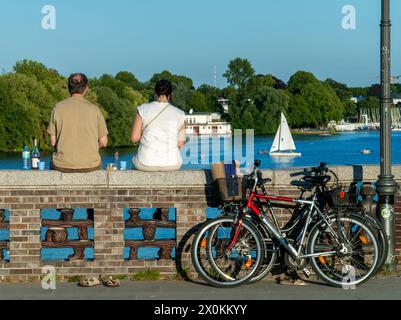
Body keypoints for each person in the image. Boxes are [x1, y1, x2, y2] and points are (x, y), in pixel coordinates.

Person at [47, 73, 109, 173]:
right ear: (86, 89)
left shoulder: (57, 108)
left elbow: (53, 142)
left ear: (69, 88)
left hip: (62, 165)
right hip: (90, 164)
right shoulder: (95, 109)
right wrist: (91, 147)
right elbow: (103, 142)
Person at [131, 79, 186, 172]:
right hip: (172, 163)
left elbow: (134, 138)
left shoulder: (143, 109)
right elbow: (180, 143)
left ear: (155, 93)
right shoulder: (180, 114)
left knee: (133, 160)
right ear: (170, 94)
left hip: (145, 162)